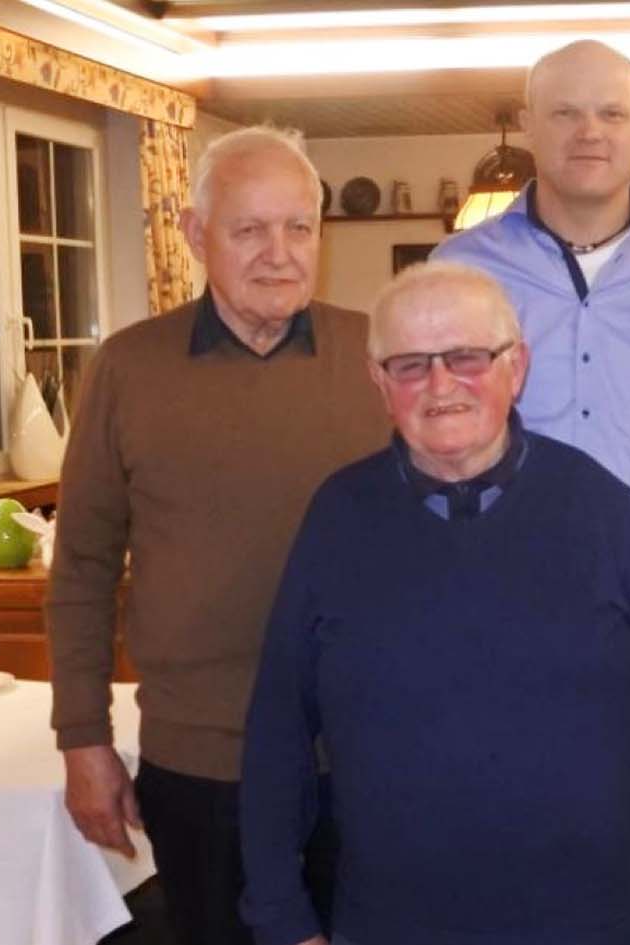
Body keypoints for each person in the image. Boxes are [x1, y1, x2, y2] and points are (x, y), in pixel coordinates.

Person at [238, 262, 630, 945]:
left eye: (467, 357)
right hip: (398, 922)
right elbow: (279, 724)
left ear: (516, 367)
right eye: (410, 365)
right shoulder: (339, 517)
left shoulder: (599, 507)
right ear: (379, 382)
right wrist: (279, 911)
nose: (440, 385)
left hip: (599, 920)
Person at [47, 125, 390, 945]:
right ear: (195, 234)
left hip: (366, 756)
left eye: (298, 226)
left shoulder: (380, 357)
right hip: (200, 765)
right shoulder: (127, 368)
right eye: (249, 229)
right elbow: (84, 566)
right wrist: (83, 738)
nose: (279, 253)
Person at [433, 38, 630, 565]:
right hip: (490, 574)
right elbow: (419, 428)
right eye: (566, 113)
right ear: (527, 126)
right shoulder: (456, 270)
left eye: (612, 114)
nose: (590, 132)